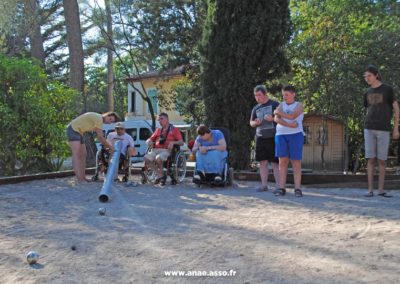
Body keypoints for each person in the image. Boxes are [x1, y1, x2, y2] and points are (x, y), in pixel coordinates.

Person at [363, 65, 399, 198]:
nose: (367, 78)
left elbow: (396, 109)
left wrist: (396, 128)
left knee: (382, 160)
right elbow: (368, 110)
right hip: (369, 128)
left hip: (383, 129)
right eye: (365, 76)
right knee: (370, 159)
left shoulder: (387, 89)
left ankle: (381, 190)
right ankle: (370, 190)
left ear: (376, 75)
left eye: (369, 76)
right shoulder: (367, 91)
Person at [66, 111, 121, 183]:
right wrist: (111, 147)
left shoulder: (99, 121)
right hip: (73, 129)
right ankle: (80, 179)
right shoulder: (99, 118)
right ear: (107, 115)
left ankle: (83, 177)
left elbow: (101, 136)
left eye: (112, 122)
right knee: (76, 154)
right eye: (110, 119)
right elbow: (100, 137)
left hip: (80, 132)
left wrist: (108, 146)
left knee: (84, 154)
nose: (110, 122)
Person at [273, 85, 304, 197]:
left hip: (296, 135)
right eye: (283, 95)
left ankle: (297, 189)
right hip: (281, 135)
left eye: (286, 94)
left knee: (296, 162)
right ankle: (281, 188)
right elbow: (276, 119)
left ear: (293, 94)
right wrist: (289, 125)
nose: (284, 97)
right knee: (282, 162)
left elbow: (292, 116)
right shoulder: (281, 105)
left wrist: (280, 113)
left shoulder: (299, 105)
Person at [250, 85, 280, 192]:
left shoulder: (275, 104)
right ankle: (264, 185)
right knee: (262, 162)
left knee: (276, 163)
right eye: (255, 95)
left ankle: (278, 187)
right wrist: (255, 123)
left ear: (265, 94)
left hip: (273, 137)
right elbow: (251, 123)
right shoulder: (256, 108)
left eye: (259, 95)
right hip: (260, 137)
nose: (257, 97)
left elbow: (282, 119)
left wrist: (273, 119)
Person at [144, 112, 184, 185]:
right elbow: (150, 139)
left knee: (158, 158)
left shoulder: (174, 129)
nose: (160, 121)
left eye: (162, 119)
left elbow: (181, 142)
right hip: (155, 150)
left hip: (166, 150)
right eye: (159, 120)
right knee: (146, 158)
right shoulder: (158, 130)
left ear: (167, 119)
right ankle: (160, 175)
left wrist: (173, 143)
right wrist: (148, 141)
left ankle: (161, 176)